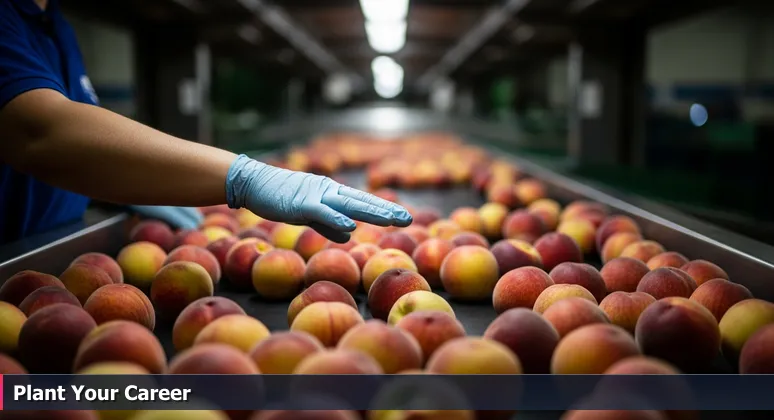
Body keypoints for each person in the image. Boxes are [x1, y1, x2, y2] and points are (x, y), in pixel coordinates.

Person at [0, 0, 412, 244]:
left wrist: (117, 184)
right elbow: (36, 132)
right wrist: (243, 178)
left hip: (54, 257)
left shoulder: (56, 24)